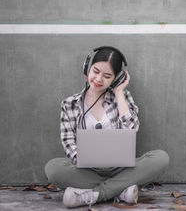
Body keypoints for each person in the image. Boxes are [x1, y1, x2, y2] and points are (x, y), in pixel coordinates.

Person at [44, 46, 169, 209]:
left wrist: (119, 93)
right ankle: (121, 191)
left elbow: (132, 129)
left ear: (115, 79)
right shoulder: (69, 104)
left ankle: (95, 195)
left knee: (160, 158)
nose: (98, 79)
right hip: (87, 171)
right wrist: (86, 160)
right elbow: (69, 144)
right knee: (53, 169)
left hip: (122, 168)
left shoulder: (123, 98)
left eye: (107, 76)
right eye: (95, 71)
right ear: (87, 68)